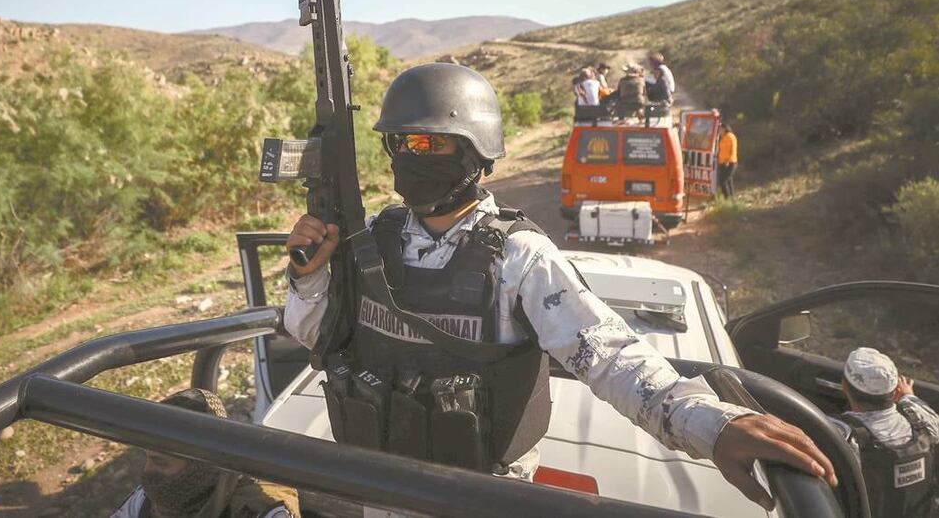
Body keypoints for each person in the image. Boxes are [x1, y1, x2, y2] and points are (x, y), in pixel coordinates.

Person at [283, 62, 836, 511]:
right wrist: (309, 279)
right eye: (402, 144)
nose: (411, 158)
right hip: (383, 485)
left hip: (484, 494)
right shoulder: (371, 239)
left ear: (476, 152)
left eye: (432, 144)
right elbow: (316, 338)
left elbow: (609, 355)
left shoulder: (518, 255)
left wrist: (711, 424)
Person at [111, 389, 300, 518]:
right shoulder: (149, 499)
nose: (148, 470)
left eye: (161, 462)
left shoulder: (259, 508)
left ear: (201, 464)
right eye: (148, 458)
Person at [827, 348, 939, 518]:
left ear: (844, 385)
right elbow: (914, 403)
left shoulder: (840, 434)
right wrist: (907, 395)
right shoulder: (925, 422)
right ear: (894, 393)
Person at [717, 124, 738, 198]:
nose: (719, 131)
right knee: (728, 181)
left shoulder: (729, 136)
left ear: (724, 129)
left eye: (720, 129)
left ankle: (727, 198)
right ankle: (732, 198)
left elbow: (732, 150)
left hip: (729, 163)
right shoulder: (722, 138)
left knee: (722, 181)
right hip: (722, 163)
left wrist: (727, 161)